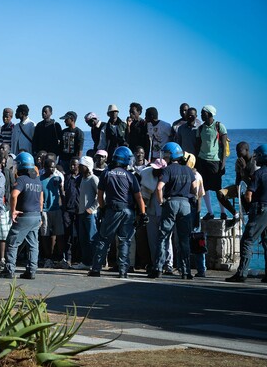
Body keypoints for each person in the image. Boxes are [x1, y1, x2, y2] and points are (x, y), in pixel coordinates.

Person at [88, 146, 147, 278]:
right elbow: (139, 197)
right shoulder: (130, 176)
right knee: (125, 241)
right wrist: (143, 214)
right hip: (128, 211)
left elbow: (100, 195)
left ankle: (96, 269)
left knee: (103, 239)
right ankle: (123, 271)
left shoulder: (106, 174)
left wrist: (102, 209)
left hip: (112, 210)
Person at [148, 142, 198, 280]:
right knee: (183, 239)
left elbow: (159, 188)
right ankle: (186, 271)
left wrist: (161, 202)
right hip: (186, 204)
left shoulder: (167, 170)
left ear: (170, 155)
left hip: (171, 203)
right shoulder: (188, 170)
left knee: (163, 236)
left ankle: (157, 268)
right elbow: (196, 189)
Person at [0, 152, 43, 279]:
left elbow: (14, 195)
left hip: (24, 215)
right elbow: (41, 198)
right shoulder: (37, 180)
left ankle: (9, 269)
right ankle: (31, 270)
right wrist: (40, 213)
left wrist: (13, 210)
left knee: (12, 242)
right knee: (33, 244)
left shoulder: (21, 179)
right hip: (36, 215)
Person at [226, 144, 267, 283]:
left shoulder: (259, 173)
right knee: (266, 241)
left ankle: (242, 273)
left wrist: (248, 206)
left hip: (260, 208)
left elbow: (249, 194)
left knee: (247, 240)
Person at [195, 105, 229, 220]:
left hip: (215, 161)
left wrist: (223, 164)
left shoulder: (219, 126)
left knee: (218, 188)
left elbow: (224, 147)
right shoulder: (200, 128)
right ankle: (210, 212)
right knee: (204, 188)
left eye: (203, 113)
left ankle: (223, 212)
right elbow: (197, 146)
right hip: (202, 160)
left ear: (209, 114)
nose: (201, 115)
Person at [217, 142, 257, 220]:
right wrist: (237, 186)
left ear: (247, 150)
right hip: (241, 188)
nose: (237, 153)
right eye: (236, 151)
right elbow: (238, 177)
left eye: (240, 151)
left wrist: (244, 168)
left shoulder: (254, 162)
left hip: (251, 189)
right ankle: (235, 213)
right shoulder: (238, 161)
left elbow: (254, 181)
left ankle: (249, 215)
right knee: (220, 194)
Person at [72, 156, 99, 270]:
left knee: (92, 238)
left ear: (87, 167)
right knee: (83, 239)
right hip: (82, 213)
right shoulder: (82, 179)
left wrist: (92, 208)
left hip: (90, 214)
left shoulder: (94, 179)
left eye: (81, 165)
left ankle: (94, 263)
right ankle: (86, 262)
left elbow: (101, 196)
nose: (79, 167)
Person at [40, 158, 65, 269]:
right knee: (45, 234)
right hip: (44, 210)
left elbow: (61, 193)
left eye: (54, 167)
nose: (52, 169)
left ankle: (59, 257)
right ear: (45, 167)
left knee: (59, 233)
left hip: (56, 209)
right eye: (50, 167)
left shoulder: (57, 179)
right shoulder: (40, 179)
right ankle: (47, 258)